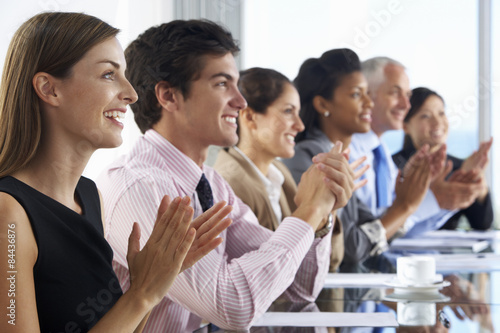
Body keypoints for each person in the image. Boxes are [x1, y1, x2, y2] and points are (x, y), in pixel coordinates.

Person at [97, 20, 357, 332]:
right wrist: (309, 211)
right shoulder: (142, 186)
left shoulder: (210, 183)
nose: (241, 101)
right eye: (222, 84)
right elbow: (230, 306)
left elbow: (297, 291)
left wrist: (321, 215)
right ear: (168, 96)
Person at [0, 12, 231, 333]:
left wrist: (156, 282)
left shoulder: (90, 196)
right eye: (108, 74)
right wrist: (142, 293)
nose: (132, 94)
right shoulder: (8, 213)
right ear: (49, 89)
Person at [283, 49, 431, 272]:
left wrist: (405, 206)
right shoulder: (314, 160)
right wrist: (404, 207)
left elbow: (371, 227)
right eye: (356, 95)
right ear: (323, 105)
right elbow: (350, 248)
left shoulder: (337, 158)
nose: (368, 103)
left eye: (367, 94)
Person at [213, 67, 357, 273]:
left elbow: (330, 262)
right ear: (250, 117)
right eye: (288, 111)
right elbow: (279, 274)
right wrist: (316, 209)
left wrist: (327, 209)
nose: (300, 126)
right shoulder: (232, 184)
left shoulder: (278, 173)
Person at [348, 57, 482, 236]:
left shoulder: (381, 154)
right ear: (366, 94)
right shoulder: (349, 153)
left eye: (407, 95)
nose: (406, 105)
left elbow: (396, 231)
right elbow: (363, 239)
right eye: (395, 93)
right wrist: (428, 200)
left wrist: (442, 201)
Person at [392, 87, 493, 230]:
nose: (437, 122)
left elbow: (482, 224)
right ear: (405, 125)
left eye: (441, 113)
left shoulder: (459, 167)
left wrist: (477, 179)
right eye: (426, 116)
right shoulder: (392, 167)